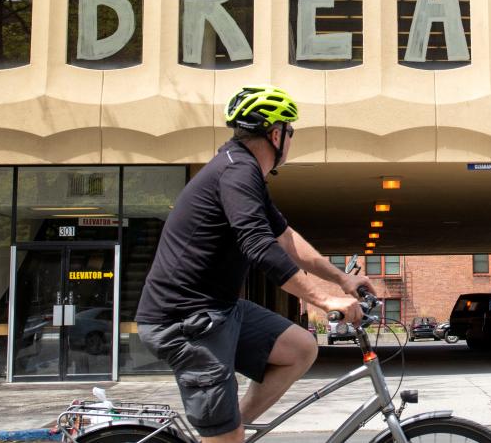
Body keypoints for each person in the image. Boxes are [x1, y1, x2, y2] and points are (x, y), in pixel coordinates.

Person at [135, 85, 375, 443]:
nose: (291, 139)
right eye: (290, 131)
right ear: (276, 134)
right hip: (185, 319)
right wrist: (324, 301)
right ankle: (225, 435)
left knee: (301, 348)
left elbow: (284, 237)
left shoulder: (243, 171)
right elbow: (258, 245)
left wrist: (341, 279)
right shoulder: (235, 172)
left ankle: (232, 430)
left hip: (219, 309)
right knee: (224, 436)